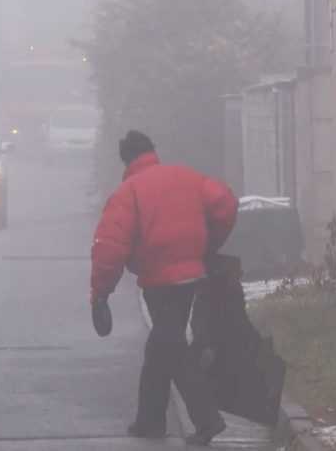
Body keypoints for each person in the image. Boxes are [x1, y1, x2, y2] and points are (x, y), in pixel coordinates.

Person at [90, 130, 237, 446]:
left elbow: (109, 248)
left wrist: (101, 294)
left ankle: (208, 419)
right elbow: (225, 203)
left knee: (170, 347)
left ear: (126, 160)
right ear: (152, 152)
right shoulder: (186, 177)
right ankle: (150, 420)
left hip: (159, 280)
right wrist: (209, 245)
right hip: (191, 275)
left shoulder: (129, 192)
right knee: (161, 345)